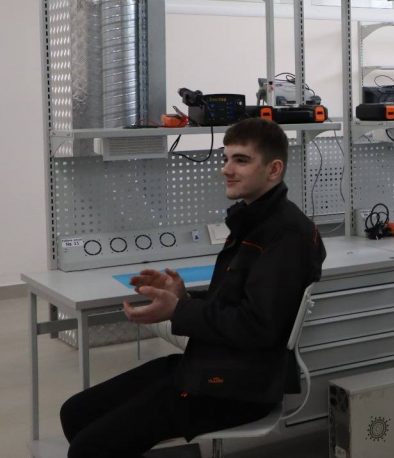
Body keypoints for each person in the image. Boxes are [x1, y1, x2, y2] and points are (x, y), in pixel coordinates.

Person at [60, 118, 326, 458]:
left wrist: (179, 310)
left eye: (241, 160)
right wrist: (182, 297)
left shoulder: (285, 236)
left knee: (88, 448)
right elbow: (234, 304)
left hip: (239, 387)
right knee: (75, 412)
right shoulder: (253, 223)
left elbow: (257, 326)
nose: (226, 169)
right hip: (213, 365)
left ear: (274, 169)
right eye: (226, 158)